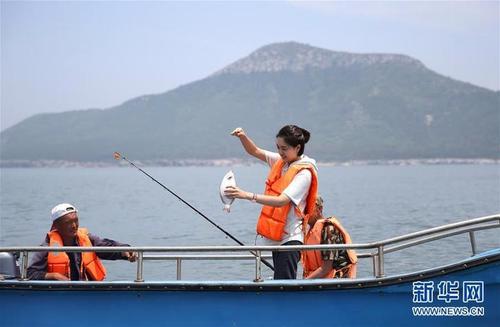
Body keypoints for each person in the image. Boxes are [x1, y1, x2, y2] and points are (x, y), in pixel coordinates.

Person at [225, 125, 318, 279]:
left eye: (284, 148)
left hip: (290, 239)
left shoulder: (304, 173)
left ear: (297, 147)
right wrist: (243, 136)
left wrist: (246, 195)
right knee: (280, 282)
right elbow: (254, 151)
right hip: (278, 237)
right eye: (278, 148)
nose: (280, 152)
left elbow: (281, 201)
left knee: (285, 285)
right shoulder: (282, 161)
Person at [27, 203, 137, 281]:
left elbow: (107, 246)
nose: (74, 226)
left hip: (85, 293)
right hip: (59, 295)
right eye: (68, 223)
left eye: (76, 221)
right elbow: (30, 273)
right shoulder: (47, 247)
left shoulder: (87, 239)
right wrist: (54, 276)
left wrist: (125, 251)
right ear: (56, 226)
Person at [302, 196, 357, 279]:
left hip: (337, 280)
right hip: (318, 280)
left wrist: (303, 283)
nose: (305, 213)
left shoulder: (328, 229)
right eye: (303, 209)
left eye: (309, 208)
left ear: (320, 209)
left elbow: (326, 267)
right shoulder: (309, 233)